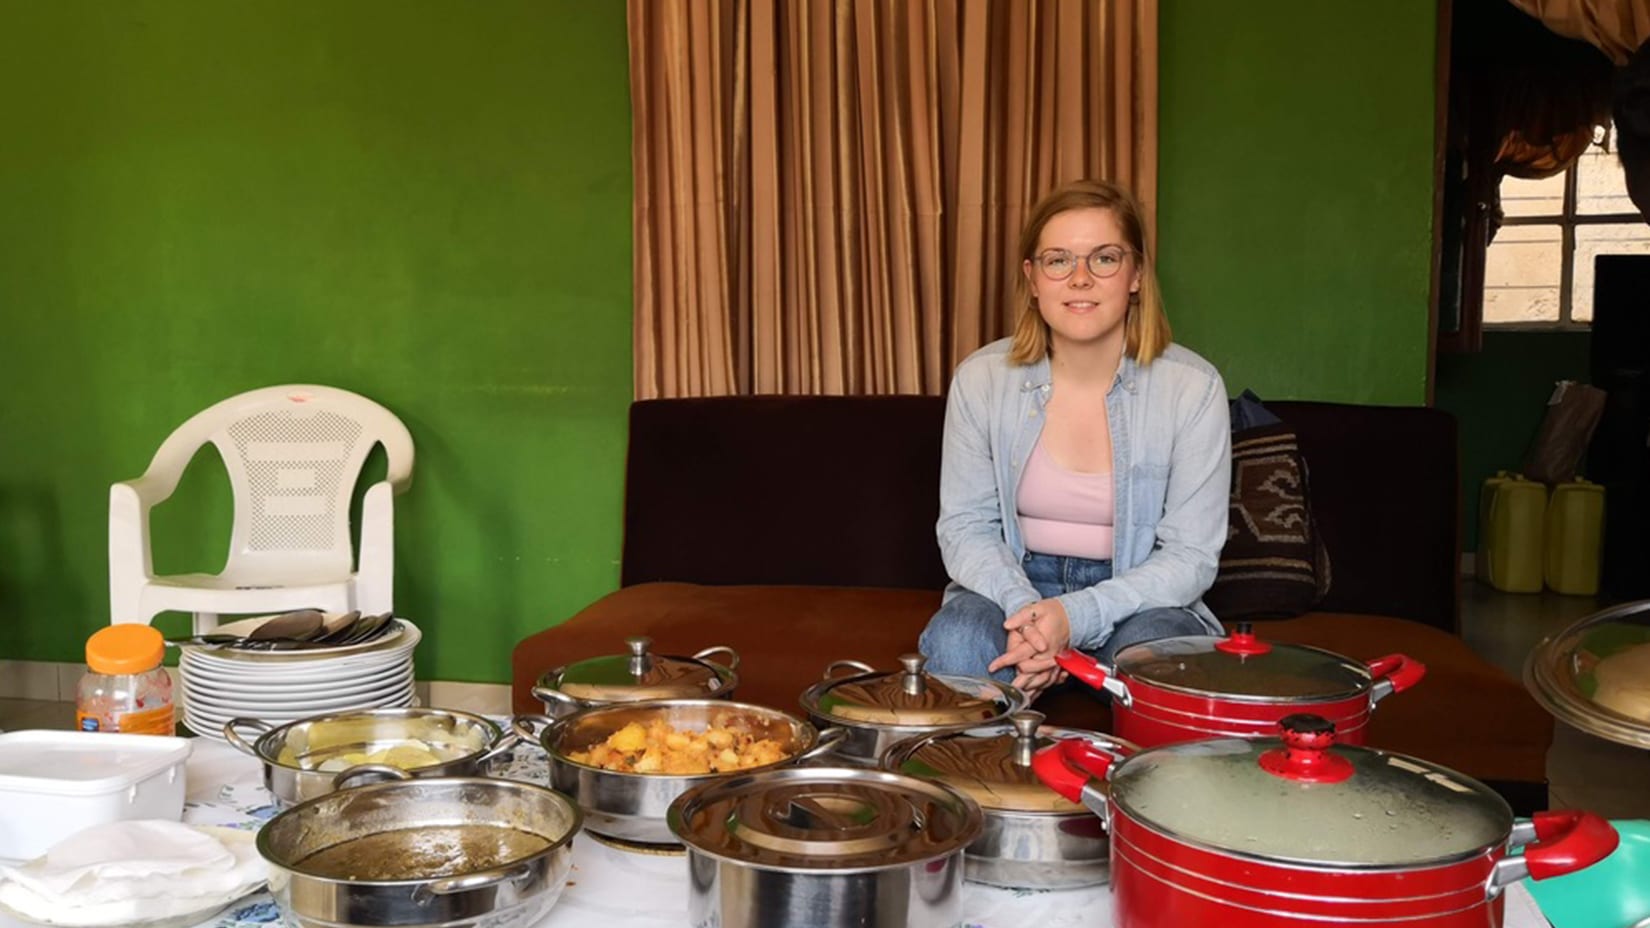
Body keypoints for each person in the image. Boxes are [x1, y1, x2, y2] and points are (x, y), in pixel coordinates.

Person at [917, 179, 1231, 702]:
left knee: (1163, 660)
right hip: (1010, 587)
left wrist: (1076, 615)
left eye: (1104, 258)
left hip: (1139, 598)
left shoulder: (1193, 389)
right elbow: (965, 526)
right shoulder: (981, 379)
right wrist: (1030, 616)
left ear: (1136, 275)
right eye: (1058, 260)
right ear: (1033, 279)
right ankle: (977, 780)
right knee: (957, 640)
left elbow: (1191, 555)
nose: (1080, 279)